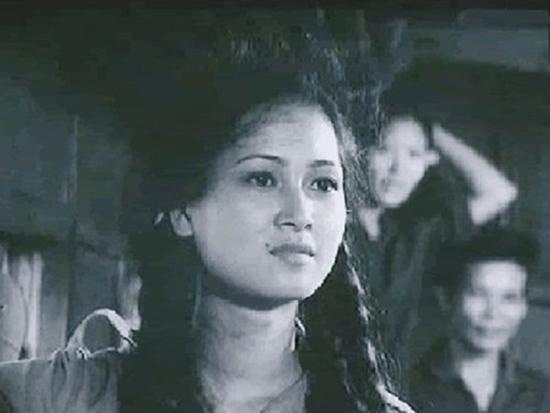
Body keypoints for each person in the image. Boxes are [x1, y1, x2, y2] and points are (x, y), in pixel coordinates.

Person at [0, 50, 415, 412]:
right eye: (262, 179)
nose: (300, 213)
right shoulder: (68, 395)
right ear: (182, 210)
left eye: (323, 184)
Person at [357, 109, 518, 376]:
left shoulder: (415, 234)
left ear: (429, 161)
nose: (398, 169)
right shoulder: (324, 228)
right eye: (383, 149)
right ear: (358, 152)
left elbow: (500, 192)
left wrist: (433, 131)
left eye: (413, 155)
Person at [408, 228, 549, 413]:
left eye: (509, 298)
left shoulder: (542, 396)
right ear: (446, 299)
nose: (493, 313)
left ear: (524, 306)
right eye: (478, 294)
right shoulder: (406, 389)